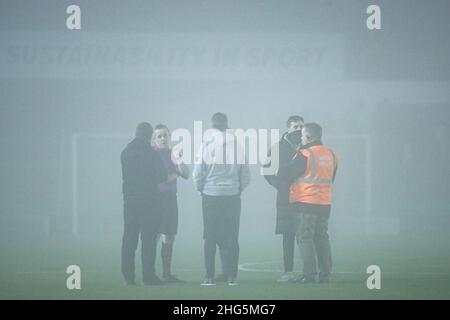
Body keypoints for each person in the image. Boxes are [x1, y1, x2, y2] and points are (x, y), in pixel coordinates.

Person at [193, 112, 251, 286]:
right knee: (232, 236)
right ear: (227, 126)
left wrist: (200, 190)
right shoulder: (237, 145)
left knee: (209, 237)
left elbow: (198, 173)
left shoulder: (206, 144)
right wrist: (238, 189)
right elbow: (246, 173)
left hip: (210, 195)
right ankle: (232, 276)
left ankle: (208, 276)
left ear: (212, 127)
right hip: (232, 196)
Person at [280, 122, 338, 284]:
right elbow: (331, 177)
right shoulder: (331, 154)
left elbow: (286, 174)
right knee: (322, 238)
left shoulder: (305, 154)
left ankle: (309, 274)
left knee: (305, 238)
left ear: (309, 136)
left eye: (303, 135)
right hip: (325, 203)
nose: (301, 138)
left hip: (305, 202)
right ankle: (325, 273)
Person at [120, 122, 167, 286]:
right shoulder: (152, 154)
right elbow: (162, 177)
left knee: (129, 238)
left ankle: (128, 277)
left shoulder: (125, 152)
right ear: (150, 135)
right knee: (148, 239)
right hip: (149, 201)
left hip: (130, 201)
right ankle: (148, 276)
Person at [263, 115, 304, 283]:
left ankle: (310, 271)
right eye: (295, 127)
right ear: (288, 128)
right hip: (286, 197)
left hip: (305, 197)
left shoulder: (307, 147)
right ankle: (288, 271)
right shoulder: (277, 148)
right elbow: (266, 170)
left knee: (306, 235)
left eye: (301, 127)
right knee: (288, 235)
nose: (299, 130)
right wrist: (280, 185)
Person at [152, 124, 190, 283]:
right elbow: (158, 178)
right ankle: (150, 273)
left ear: (169, 136)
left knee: (169, 237)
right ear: (154, 138)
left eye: (165, 135)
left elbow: (186, 175)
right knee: (153, 236)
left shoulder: (173, 153)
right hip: (153, 199)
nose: (162, 138)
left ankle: (166, 274)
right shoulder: (150, 154)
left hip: (170, 199)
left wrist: (180, 161)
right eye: (159, 136)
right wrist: (174, 175)